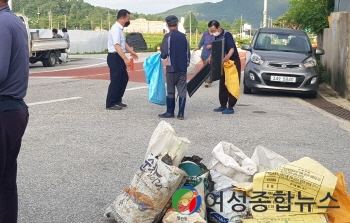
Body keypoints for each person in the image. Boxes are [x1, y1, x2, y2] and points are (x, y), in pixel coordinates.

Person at [0, 0, 30, 222]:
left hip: (3, 109)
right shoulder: (15, 21)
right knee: (6, 181)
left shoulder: (1, 23)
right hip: (13, 109)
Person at [158, 15, 190, 120]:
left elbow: (164, 54)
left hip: (171, 68)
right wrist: (186, 65)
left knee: (171, 90)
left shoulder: (168, 37)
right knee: (182, 90)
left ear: (167, 25)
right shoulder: (184, 36)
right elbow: (187, 53)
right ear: (177, 24)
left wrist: (160, 54)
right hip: (182, 68)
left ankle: (170, 112)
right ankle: (181, 114)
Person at [106, 9, 138, 110]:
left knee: (123, 79)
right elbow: (117, 46)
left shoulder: (120, 29)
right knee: (116, 80)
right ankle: (110, 103)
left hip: (118, 56)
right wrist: (125, 59)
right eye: (127, 18)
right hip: (115, 56)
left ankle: (117, 100)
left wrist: (131, 52)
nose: (128, 20)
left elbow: (123, 43)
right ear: (122, 18)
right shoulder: (115, 29)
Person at [207, 20, 241, 114]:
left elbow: (231, 48)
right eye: (211, 31)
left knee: (231, 83)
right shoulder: (217, 36)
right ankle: (223, 105)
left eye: (214, 30)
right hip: (223, 63)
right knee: (223, 83)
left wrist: (227, 57)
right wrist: (210, 57)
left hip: (232, 62)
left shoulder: (227, 35)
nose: (213, 32)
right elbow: (215, 48)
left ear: (219, 27)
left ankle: (231, 107)